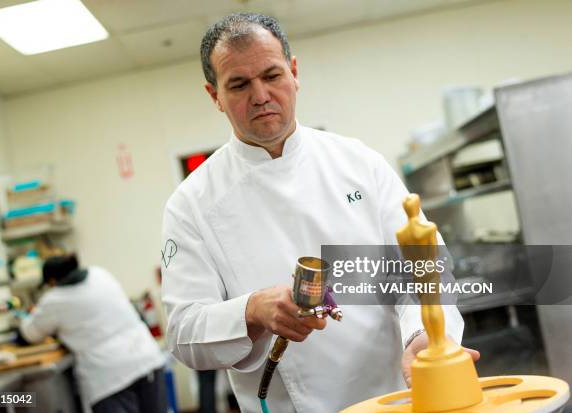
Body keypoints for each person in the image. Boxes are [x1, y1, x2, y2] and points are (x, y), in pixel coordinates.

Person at [161, 13, 478, 412]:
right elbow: (183, 332)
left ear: (294, 73)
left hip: (397, 394)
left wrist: (425, 338)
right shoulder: (191, 203)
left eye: (272, 75)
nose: (260, 95)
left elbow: (424, 266)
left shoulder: (359, 163)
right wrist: (252, 310)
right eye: (239, 84)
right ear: (215, 96)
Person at [20, 254, 168, 413]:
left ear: (52, 281)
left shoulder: (53, 299)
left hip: (109, 376)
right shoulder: (99, 274)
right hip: (146, 358)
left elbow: (29, 334)